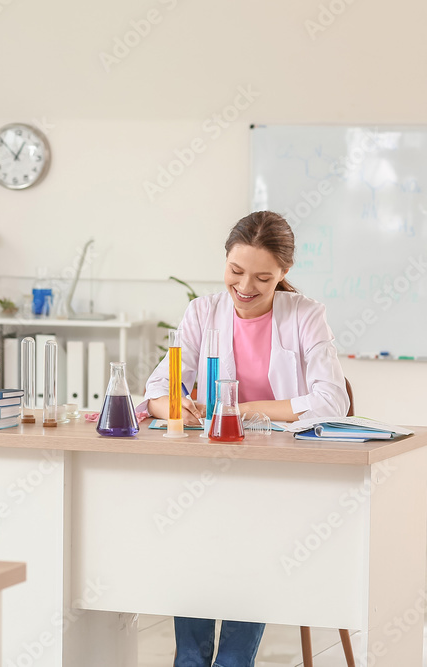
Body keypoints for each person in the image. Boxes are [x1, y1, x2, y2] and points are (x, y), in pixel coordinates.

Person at [142, 211, 349, 666]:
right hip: (211, 472)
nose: (245, 287)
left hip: (277, 478)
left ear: (283, 275)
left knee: (245, 537)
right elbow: (158, 390)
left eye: (262, 277)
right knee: (191, 533)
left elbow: (331, 401)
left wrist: (245, 409)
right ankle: (191, 661)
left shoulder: (306, 316)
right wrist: (177, 404)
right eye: (236, 272)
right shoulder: (203, 311)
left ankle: (236, 660)